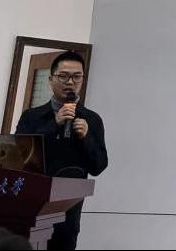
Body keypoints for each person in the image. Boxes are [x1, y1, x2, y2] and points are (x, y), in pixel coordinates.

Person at [15, 51, 107, 251]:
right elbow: (19, 157)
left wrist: (86, 138)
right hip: (31, 207)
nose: (70, 82)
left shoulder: (92, 120)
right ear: (51, 80)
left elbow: (99, 166)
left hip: (67, 212)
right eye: (63, 76)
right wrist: (54, 125)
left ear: (82, 80)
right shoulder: (32, 117)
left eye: (76, 77)